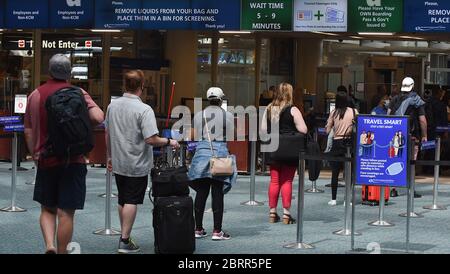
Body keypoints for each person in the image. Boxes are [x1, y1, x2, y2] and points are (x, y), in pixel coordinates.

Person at [24, 54, 104, 254]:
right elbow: (99, 116)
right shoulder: (78, 92)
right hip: (74, 159)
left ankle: (49, 245)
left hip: (46, 159)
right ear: (69, 73)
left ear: (49, 71)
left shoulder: (35, 95)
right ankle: (61, 251)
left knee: (47, 208)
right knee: (66, 212)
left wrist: (35, 153)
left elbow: (28, 130)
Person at [105, 70, 180, 253]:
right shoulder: (144, 109)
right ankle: (124, 240)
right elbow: (151, 139)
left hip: (118, 161)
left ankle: (125, 235)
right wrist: (169, 141)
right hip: (136, 163)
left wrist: (109, 156)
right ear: (142, 87)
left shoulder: (112, 106)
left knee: (123, 199)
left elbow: (108, 133)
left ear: (125, 85)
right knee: (132, 200)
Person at [188, 87, 237, 241]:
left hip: (202, 153)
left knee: (201, 192)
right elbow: (233, 134)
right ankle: (217, 231)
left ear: (208, 99)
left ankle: (198, 229)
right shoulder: (227, 115)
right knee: (218, 193)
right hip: (220, 154)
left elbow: (192, 136)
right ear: (221, 99)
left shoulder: (198, 115)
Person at [261, 83, 308, 223]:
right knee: (287, 180)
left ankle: (272, 212)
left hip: (273, 148)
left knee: (274, 181)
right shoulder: (293, 110)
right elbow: (304, 130)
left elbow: (263, 130)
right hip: (289, 149)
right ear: (289, 93)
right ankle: (286, 214)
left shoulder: (269, 109)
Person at [388, 77, 428, 198]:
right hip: (412, 137)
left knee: (395, 160)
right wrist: (424, 135)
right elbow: (422, 120)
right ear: (413, 86)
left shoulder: (394, 99)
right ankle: (411, 189)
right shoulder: (416, 100)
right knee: (411, 162)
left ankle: (393, 189)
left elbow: (388, 116)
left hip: (396, 135)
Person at [325, 90, 358, 206]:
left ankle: (333, 199)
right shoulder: (354, 112)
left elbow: (328, 130)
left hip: (337, 142)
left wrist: (334, 127)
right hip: (349, 143)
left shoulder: (334, 113)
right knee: (349, 173)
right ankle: (346, 200)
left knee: (335, 172)